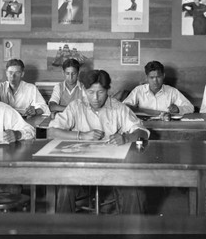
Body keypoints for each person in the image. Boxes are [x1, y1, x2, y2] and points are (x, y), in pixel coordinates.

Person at [47, 69, 150, 214]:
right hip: (79, 168)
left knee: (134, 191)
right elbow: (51, 132)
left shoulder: (118, 108)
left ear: (108, 90)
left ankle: (132, 233)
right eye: (90, 92)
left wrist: (126, 137)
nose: (95, 98)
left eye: (100, 92)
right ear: (84, 90)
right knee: (64, 189)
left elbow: (142, 132)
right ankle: (63, 232)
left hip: (114, 169)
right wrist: (81, 136)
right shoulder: (76, 106)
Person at [122, 60, 194, 116]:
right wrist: (139, 110)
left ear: (163, 76)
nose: (155, 81)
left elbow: (190, 108)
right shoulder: (139, 90)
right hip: (145, 127)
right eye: (152, 77)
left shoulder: (172, 92)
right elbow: (124, 107)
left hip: (166, 127)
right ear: (147, 77)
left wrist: (178, 109)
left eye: (158, 77)